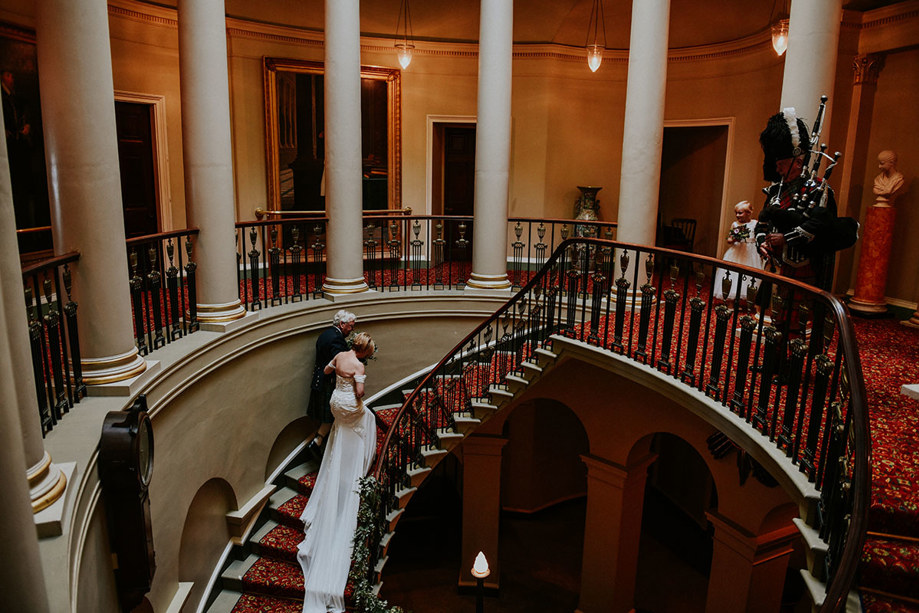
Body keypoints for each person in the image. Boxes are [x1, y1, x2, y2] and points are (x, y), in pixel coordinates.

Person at [297, 332, 377, 613]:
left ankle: (336, 453)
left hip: (334, 403)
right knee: (367, 416)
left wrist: (340, 381)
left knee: (345, 424)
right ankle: (355, 459)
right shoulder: (359, 366)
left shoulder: (341, 355)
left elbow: (328, 370)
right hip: (348, 405)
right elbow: (360, 393)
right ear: (365, 351)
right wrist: (357, 382)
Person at [754, 107, 858, 292]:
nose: (777, 170)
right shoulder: (774, 189)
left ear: (798, 162)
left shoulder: (818, 189)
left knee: (796, 318)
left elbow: (819, 226)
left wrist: (785, 238)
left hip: (803, 269)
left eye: (781, 165)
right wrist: (761, 241)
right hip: (773, 266)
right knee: (768, 314)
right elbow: (762, 223)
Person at [307, 309, 356, 457]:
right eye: (351, 326)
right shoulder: (336, 339)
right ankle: (318, 442)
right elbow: (340, 363)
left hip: (319, 380)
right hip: (328, 382)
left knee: (329, 415)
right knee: (332, 415)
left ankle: (319, 442)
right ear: (342, 324)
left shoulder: (326, 334)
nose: (352, 329)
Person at [714, 200, 763, 302]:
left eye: (740, 213)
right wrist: (734, 239)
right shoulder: (735, 224)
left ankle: (746, 301)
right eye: (736, 213)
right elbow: (729, 239)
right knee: (732, 274)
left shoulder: (755, 223)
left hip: (750, 252)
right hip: (736, 251)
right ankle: (731, 302)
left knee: (749, 276)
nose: (737, 215)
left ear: (749, 213)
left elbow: (758, 237)